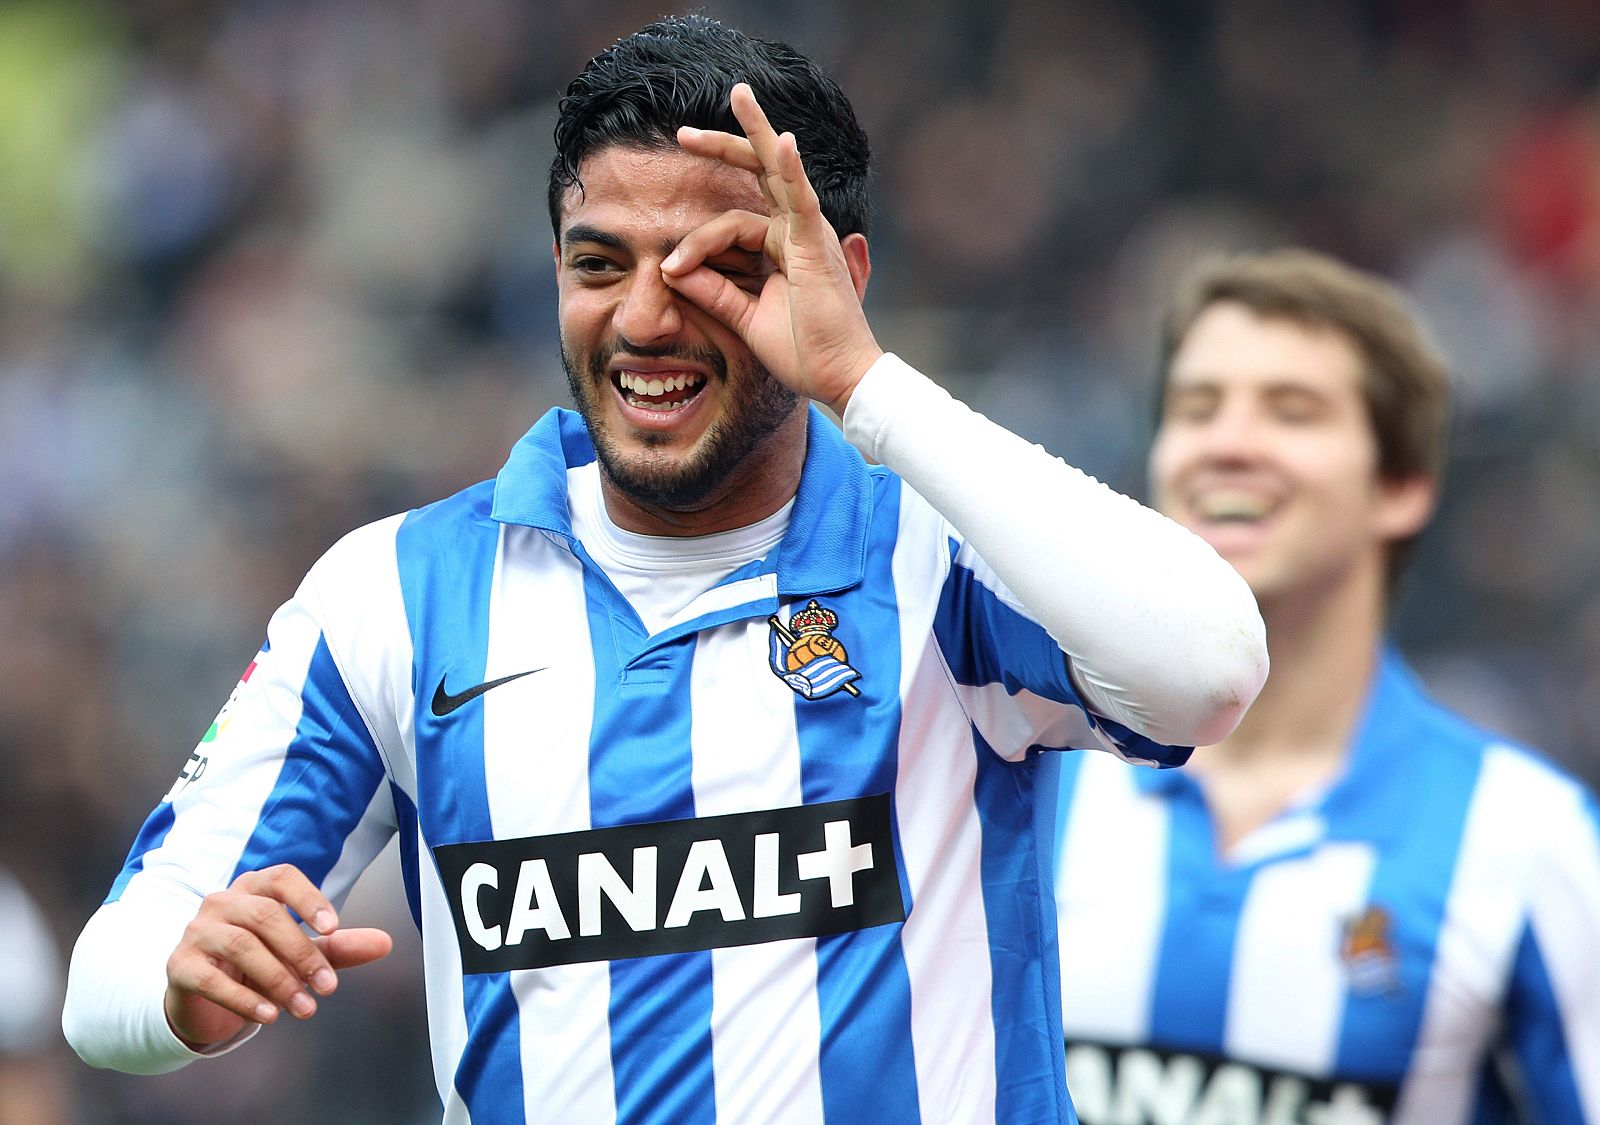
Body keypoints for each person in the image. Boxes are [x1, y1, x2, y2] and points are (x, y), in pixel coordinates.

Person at [62, 16, 1267, 1123]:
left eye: (715, 268)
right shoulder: (395, 595)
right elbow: (106, 980)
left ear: (832, 278)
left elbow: (1206, 669)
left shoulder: (939, 563)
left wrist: (861, 383)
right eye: (598, 265)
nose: (645, 318)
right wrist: (182, 986)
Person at [1046, 249, 1600, 1124]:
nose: (1228, 443)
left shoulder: (1531, 844)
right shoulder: (1023, 785)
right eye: (1197, 408)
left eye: (1292, 411)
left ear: (1401, 486)